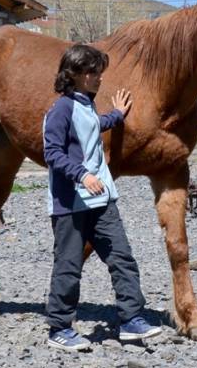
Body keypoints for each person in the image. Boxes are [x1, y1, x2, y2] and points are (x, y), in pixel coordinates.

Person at [42, 44, 162, 351]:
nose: (99, 78)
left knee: (122, 257)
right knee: (68, 264)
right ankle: (59, 327)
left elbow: (94, 128)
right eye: (94, 72)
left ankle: (132, 320)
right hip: (70, 203)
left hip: (101, 199)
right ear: (77, 75)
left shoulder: (86, 105)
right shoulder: (61, 109)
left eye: (99, 72)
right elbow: (52, 152)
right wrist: (82, 175)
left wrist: (118, 115)